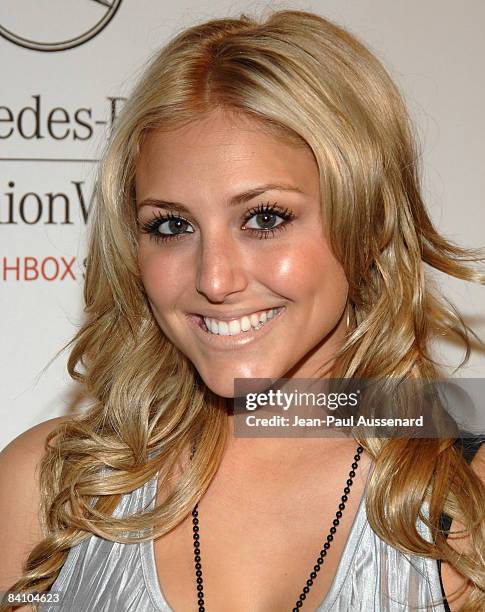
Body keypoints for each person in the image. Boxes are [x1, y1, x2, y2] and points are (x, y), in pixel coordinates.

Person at [1, 9, 484, 612]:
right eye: (172, 225)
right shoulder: (49, 491)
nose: (214, 278)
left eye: (265, 218)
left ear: (368, 221)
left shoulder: (469, 499)